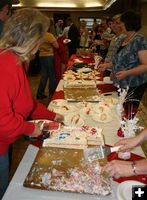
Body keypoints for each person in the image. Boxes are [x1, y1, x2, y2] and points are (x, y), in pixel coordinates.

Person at [0, 8, 64, 199]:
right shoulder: (7, 64)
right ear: (32, 38)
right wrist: (30, 129)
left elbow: (26, 103)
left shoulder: (17, 60)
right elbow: (3, 120)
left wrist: (54, 116)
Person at [99, 11, 147, 117]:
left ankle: (126, 132)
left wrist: (127, 73)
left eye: (121, 22)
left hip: (133, 84)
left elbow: (145, 65)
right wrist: (108, 65)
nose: (119, 25)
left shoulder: (139, 40)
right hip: (121, 83)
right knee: (117, 110)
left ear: (128, 23)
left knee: (127, 113)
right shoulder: (124, 38)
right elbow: (119, 60)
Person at [36, 23, 59, 99]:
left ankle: (40, 93)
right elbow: (57, 46)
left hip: (41, 56)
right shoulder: (49, 35)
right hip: (49, 56)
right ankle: (52, 94)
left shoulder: (38, 35)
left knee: (44, 76)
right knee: (52, 76)